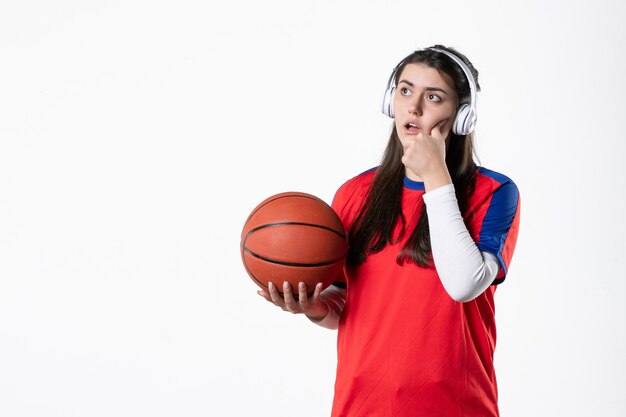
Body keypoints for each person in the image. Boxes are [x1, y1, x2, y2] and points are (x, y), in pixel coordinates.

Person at [258, 45, 521, 417]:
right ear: (390, 100)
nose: (413, 108)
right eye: (405, 90)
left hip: (455, 408)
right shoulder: (354, 194)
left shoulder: (493, 193)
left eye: (433, 97)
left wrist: (435, 176)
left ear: (462, 117)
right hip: (361, 406)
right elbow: (346, 304)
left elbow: (464, 283)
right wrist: (315, 308)